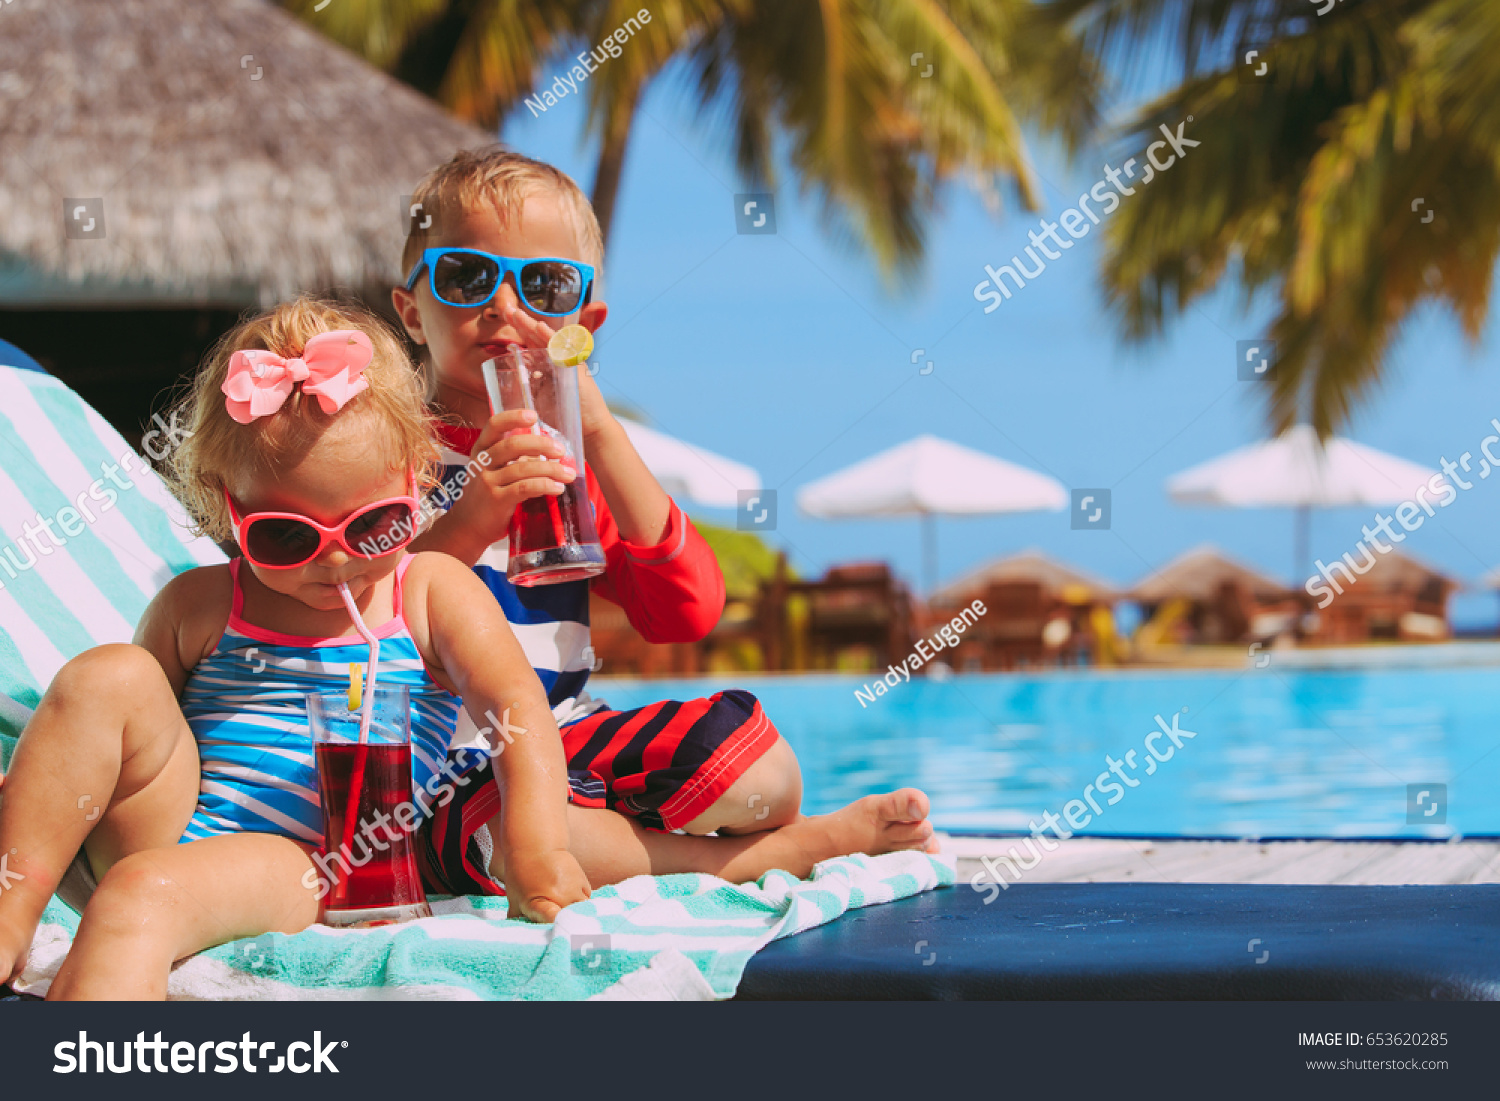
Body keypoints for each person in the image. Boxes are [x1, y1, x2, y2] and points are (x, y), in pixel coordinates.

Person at [0, 296, 932, 999]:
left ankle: (792, 846)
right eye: (286, 537)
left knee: (144, 895)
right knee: (104, 676)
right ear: (226, 506)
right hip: (178, 817)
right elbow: (130, 734)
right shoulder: (202, 602)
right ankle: (10, 905)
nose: (332, 565)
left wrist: (529, 841)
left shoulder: (427, 590)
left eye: (372, 528)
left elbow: (517, 709)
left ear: (417, 485)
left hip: (302, 851)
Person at [392, 146, 936, 897]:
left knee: (764, 771)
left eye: (544, 285)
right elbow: (356, 610)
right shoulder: (386, 453)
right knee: (528, 825)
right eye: (466, 276)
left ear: (583, 322)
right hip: (444, 774)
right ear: (410, 311)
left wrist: (604, 435)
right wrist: (471, 516)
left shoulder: (570, 465)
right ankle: (762, 858)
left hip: (571, 734)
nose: (506, 307)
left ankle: (706, 832)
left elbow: (686, 611)